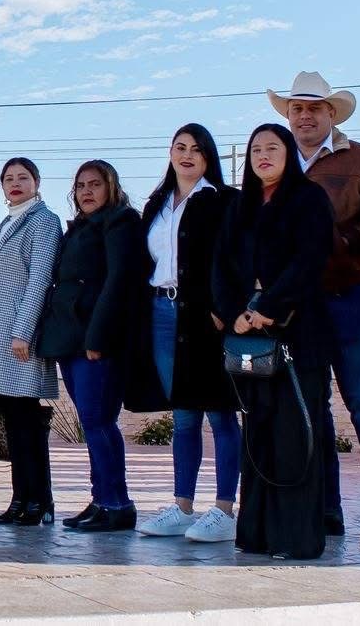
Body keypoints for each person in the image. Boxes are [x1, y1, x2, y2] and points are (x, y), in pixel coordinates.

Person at [271, 71, 360, 549]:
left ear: (331, 114)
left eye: (314, 108)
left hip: (351, 296)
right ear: (288, 115)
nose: (304, 116)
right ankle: (325, 510)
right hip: (297, 306)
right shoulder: (274, 162)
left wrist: (350, 240)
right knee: (313, 407)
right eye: (296, 108)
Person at [215, 124, 336, 561]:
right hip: (248, 337)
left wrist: (270, 307)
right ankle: (258, 533)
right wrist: (236, 315)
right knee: (259, 432)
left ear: (288, 153)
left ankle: (295, 538)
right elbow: (222, 265)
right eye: (256, 149)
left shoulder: (308, 199)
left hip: (295, 332)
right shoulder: (241, 206)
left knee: (294, 433)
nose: (263, 155)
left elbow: (311, 259)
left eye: (273, 147)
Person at [129, 125, 240, 543]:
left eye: (197, 149)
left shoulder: (223, 201)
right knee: (183, 414)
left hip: (204, 317)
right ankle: (181, 505)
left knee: (219, 412)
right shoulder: (157, 204)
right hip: (161, 310)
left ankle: (225, 509)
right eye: (180, 147)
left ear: (209, 157)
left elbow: (234, 261)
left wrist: (221, 310)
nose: (188, 155)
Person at [39, 160, 142, 532]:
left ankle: (117, 502)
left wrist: (97, 339)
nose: (86, 191)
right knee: (93, 422)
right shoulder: (79, 227)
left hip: (96, 341)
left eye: (94, 184)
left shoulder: (120, 222)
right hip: (71, 338)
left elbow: (117, 282)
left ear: (110, 187)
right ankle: (102, 500)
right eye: (80, 185)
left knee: (99, 421)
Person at [0, 158, 62, 526]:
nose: (15, 184)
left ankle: (39, 501)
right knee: (13, 420)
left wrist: (23, 331)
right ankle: (21, 499)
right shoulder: (9, 221)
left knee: (27, 423)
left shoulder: (44, 221)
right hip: (0, 336)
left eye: (23, 177)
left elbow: (39, 279)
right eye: (8, 179)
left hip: (20, 337)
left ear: (37, 182)